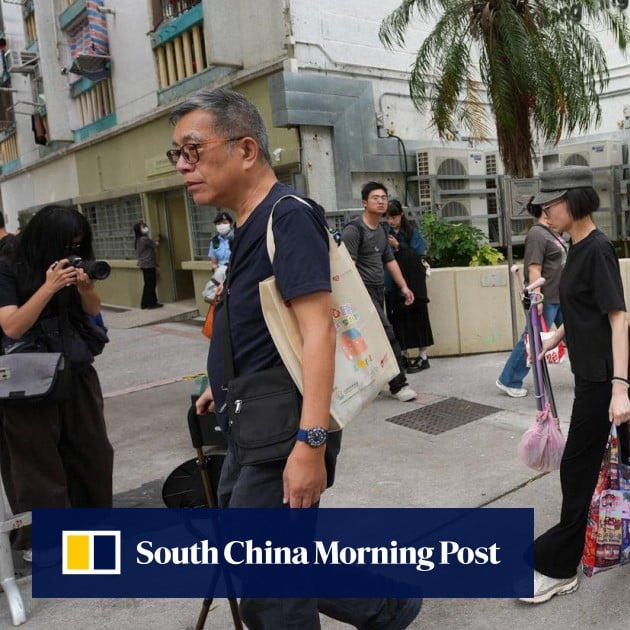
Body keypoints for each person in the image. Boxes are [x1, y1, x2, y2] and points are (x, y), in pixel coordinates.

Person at [176, 88, 420, 629]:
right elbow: (263, 323)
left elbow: (318, 334)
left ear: (245, 150)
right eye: (178, 154)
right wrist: (226, 380)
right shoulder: (247, 223)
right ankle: (387, 607)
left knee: (273, 590)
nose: (182, 166)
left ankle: (386, 606)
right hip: (253, 419)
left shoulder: (287, 217)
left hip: (286, 430)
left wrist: (310, 445)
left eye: (193, 150)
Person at [522, 166, 630, 604]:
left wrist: (619, 389)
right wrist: (552, 337)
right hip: (594, 370)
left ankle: (559, 566)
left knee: (577, 467)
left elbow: (618, 318)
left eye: (551, 202)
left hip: (605, 375)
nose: (545, 210)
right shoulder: (574, 246)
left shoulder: (596, 249)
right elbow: (585, 309)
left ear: (575, 200)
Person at [0, 205, 113, 560]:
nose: (71, 252)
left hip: (74, 370)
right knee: (38, 467)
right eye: (66, 245)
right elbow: (12, 325)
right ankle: (48, 545)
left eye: (77, 245)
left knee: (92, 454)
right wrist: (48, 288)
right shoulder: (7, 268)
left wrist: (85, 287)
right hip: (27, 380)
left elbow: (93, 312)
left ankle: (91, 538)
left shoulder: (70, 265)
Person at [341, 183, 417, 402]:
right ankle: (399, 384)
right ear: (364, 202)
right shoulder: (354, 231)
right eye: (375, 197)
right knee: (387, 334)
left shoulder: (382, 230)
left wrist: (403, 286)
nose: (381, 201)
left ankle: (372, 380)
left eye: (384, 197)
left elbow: (389, 260)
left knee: (366, 340)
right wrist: (356, 297)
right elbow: (348, 268)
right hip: (360, 293)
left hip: (376, 290)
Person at [496, 198, 567, 398]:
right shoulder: (537, 234)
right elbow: (534, 268)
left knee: (573, 333)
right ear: (545, 209)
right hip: (547, 297)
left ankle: (585, 372)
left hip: (560, 296)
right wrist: (537, 300)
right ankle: (509, 379)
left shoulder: (552, 231)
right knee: (532, 338)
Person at [384, 201, 434, 373]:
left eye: (394, 217)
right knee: (398, 319)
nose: (391, 221)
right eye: (388, 218)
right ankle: (403, 354)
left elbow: (418, 254)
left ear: (401, 215)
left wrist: (399, 246)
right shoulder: (385, 233)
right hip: (394, 283)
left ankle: (423, 356)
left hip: (413, 282)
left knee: (419, 318)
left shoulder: (412, 232)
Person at [134, 219, 162, 309]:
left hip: (144, 264)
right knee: (151, 284)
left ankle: (145, 303)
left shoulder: (138, 239)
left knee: (147, 284)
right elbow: (155, 244)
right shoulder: (144, 239)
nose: (145, 228)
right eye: (143, 227)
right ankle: (151, 303)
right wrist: (158, 239)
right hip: (148, 264)